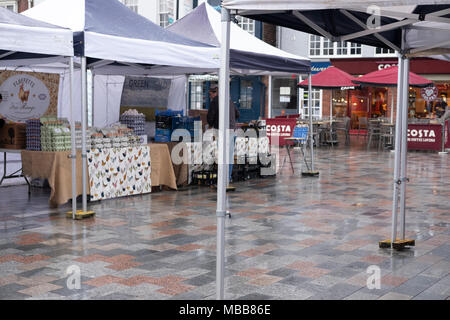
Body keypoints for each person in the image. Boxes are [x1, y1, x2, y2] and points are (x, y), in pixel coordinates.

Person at [206, 83, 240, 191]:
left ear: (214, 92)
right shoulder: (229, 101)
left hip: (223, 131)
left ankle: (222, 182)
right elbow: (238, 114)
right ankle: (227, 180)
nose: (209, 96)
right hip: (232, 131)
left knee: (222, 157)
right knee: (229, 157)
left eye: (210, 94)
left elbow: (210, 117)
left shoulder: (215, 101)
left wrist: (210, 124)